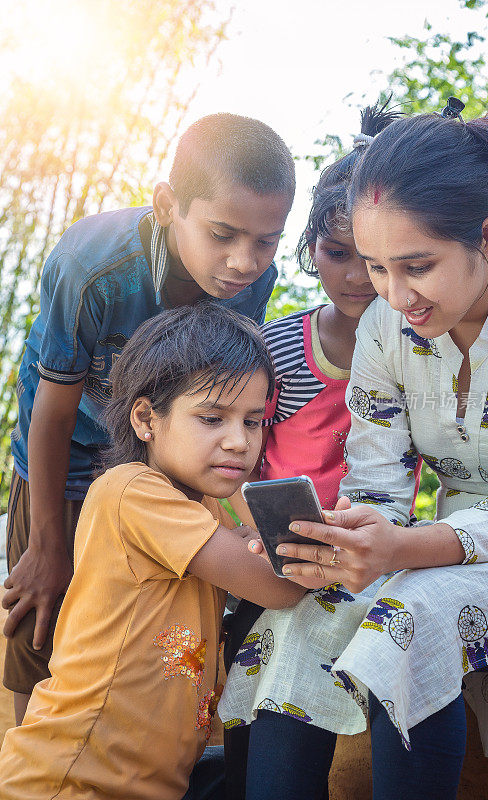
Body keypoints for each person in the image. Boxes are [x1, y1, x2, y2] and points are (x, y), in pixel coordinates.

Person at [253, 100, 488, 798]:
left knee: (414, 614)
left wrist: (403, 550)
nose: (392, 294)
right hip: (445, 543)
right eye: (377, 268)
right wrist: (341, 538)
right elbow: (376, 478)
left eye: (416, 265)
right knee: (302, 618)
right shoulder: (385, 325)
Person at [2, 112, 295, 723]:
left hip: (168, 464)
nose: (244, 262)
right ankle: (33, 746)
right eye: (223, 234)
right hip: (66, 453)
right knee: (44, 616)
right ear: (168, 206)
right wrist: (49, 543)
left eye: (265, 241)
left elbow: (227, 406)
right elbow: (52, 414)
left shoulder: (251, 282)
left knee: (164, 631)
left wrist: (235, 516)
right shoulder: (93, 264)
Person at [0, 303, 307, 800]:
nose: (238, 441)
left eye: (254, 422)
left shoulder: (213, 502)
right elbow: (276, 581)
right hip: (69, 779)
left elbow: (268, 546)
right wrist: (332, 551)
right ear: (146, 418)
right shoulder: (133, 491)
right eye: (211, 418)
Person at [219, 101, 420, 800]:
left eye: (371, 260)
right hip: (270, 551)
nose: (358, 278)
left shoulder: (416, 355)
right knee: (250, 655)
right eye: (338, 256)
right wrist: (251, 532)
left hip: (365, 557)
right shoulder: (276, 347)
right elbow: (236, 461)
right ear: (310, 251)